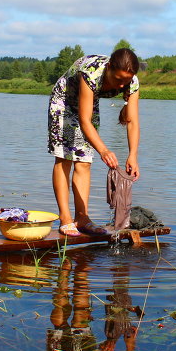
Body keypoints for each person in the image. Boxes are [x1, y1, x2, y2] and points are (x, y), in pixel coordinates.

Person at [48, 48, 140, 236]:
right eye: (118, 80)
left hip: (89, 103)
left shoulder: (133, 82)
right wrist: (104, 150)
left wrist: (132, 156)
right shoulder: (91, 72)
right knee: (64, 157)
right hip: (64, 101)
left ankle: (82, 218)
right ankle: (65, 218)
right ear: (108, 68)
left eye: (126, 81)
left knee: (84, 162)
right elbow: (84, 120)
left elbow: (132, 121)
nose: (122, 86)